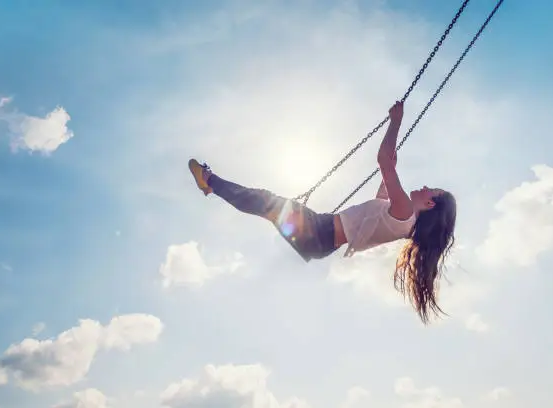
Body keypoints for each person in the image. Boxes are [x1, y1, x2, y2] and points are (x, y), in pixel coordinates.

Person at [188, 101, 457, 324]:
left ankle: (209, 182)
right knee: (266, 203)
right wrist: (388, 169)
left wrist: (395, 122)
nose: (424, 186)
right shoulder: (403, 221)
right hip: (319, 236)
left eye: (431, 189)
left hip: (318, 232)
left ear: (431, 203)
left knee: (263, 201)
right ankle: (211, 184)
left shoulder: (406, 213)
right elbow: (381, 196)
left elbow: (384, 161)